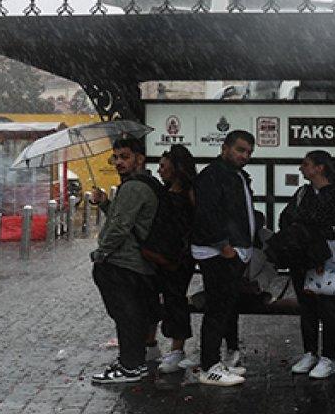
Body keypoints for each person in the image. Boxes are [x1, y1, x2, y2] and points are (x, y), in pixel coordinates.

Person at [187, 130, 258, 387]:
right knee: (217, 308)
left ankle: (217, 361)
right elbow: (208, 213)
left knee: (225, 307)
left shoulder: (236, 175)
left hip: (234, 251)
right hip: (219, 253)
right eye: (240, 150)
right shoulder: (212, 175)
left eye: (249, 152)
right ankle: (209, 365)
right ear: (225, 147)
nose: (244, 156)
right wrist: (224, 246)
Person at [89, 137, 158, 384]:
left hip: (124, 263)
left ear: (139, 158)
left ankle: (130, 366)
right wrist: (106, 203)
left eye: (125, 156)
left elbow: (119, 227)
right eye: (115, 157)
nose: (119, 162)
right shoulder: (141, 184)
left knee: (127, 315)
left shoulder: (133, 188)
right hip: (136, 262)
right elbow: (129, 222)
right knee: (132, 314)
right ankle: (133, 362)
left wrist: (101, 254)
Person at [282, 150, 335, 380]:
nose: (301, 168)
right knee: (307, 307)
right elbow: (286, 218)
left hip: (326, 257)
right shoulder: (303, 192)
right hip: (301, 256)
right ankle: (310, 352)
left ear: (319, 167)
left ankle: (329, 356)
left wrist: (306, 226)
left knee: (327, 306)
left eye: (306, 164)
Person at [148, 145, 197, 375]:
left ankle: (178, 348)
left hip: (178, 257)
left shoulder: (187, 193)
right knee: (166, 299)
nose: (160, 171)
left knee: (175, 299)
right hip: (163, 255)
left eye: (164, 166)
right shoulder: (166, 193)